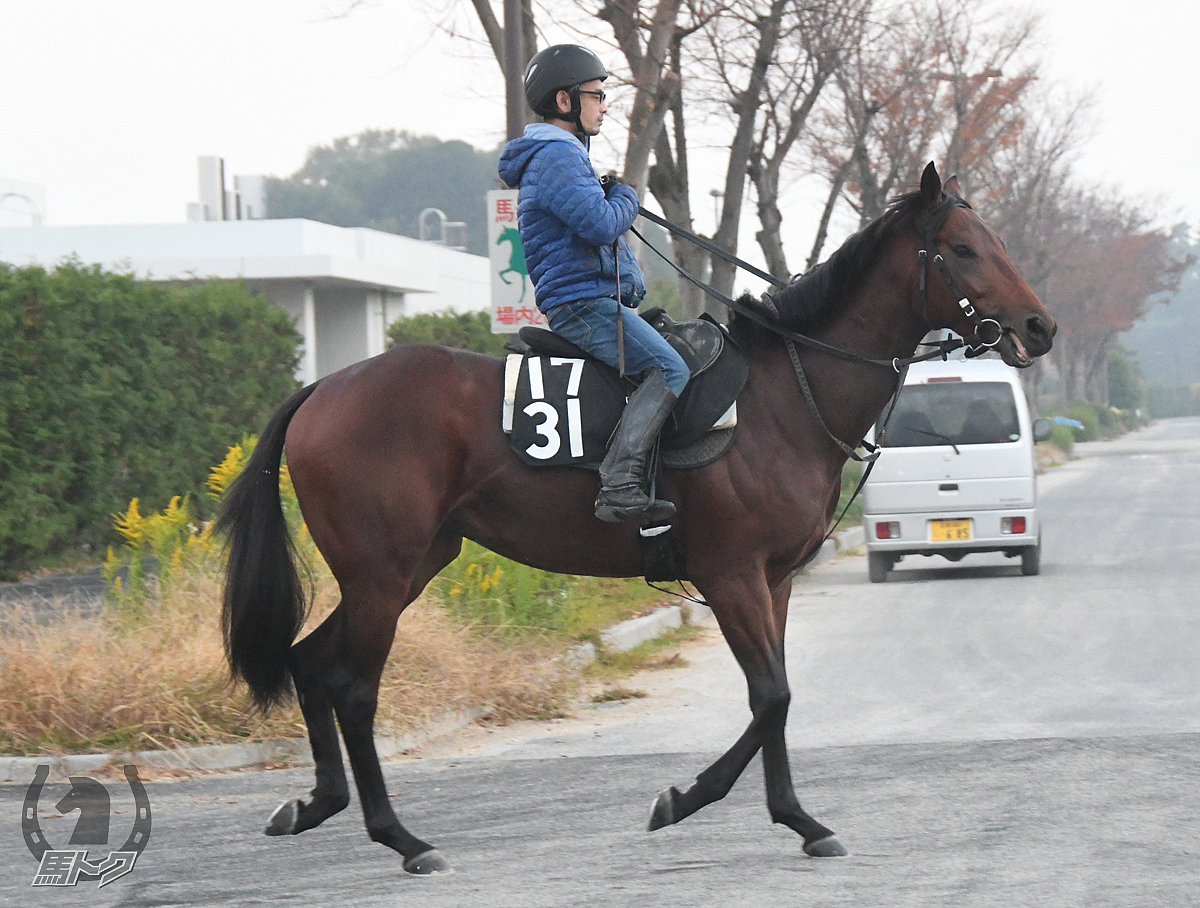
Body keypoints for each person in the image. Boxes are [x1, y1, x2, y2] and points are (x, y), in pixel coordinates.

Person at [498, 44, 689, 525]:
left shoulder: (561, 157)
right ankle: (620, 484)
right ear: (565, 101)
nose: (604, 105)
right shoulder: (557, 157)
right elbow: (602, 224)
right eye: (597, 95)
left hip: (590, 300)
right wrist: (626, 194)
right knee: (670, 370)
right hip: (583, 305)